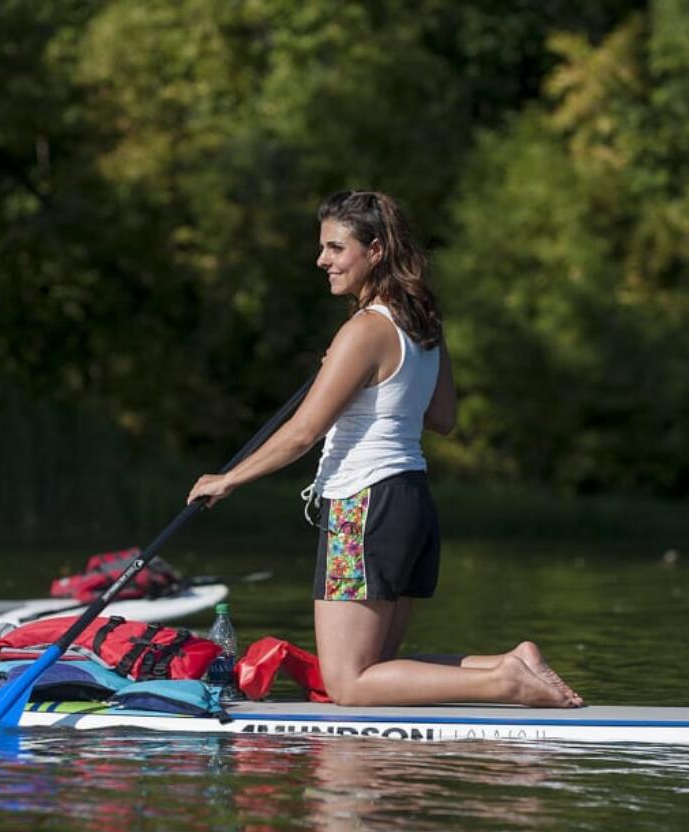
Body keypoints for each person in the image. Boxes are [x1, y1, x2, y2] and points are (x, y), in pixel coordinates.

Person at [188, 190, 582, 708]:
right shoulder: (423, 327)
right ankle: (508, 663)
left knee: (349, 683)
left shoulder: (366, 329)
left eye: (335, 248)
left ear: (375, 251)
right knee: (373, 673)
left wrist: (228, 479)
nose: (321, 260)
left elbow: (304, 432)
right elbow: (443, 419)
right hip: (410, 501)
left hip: (364, 505)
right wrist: (357, 372)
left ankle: (506, 682)